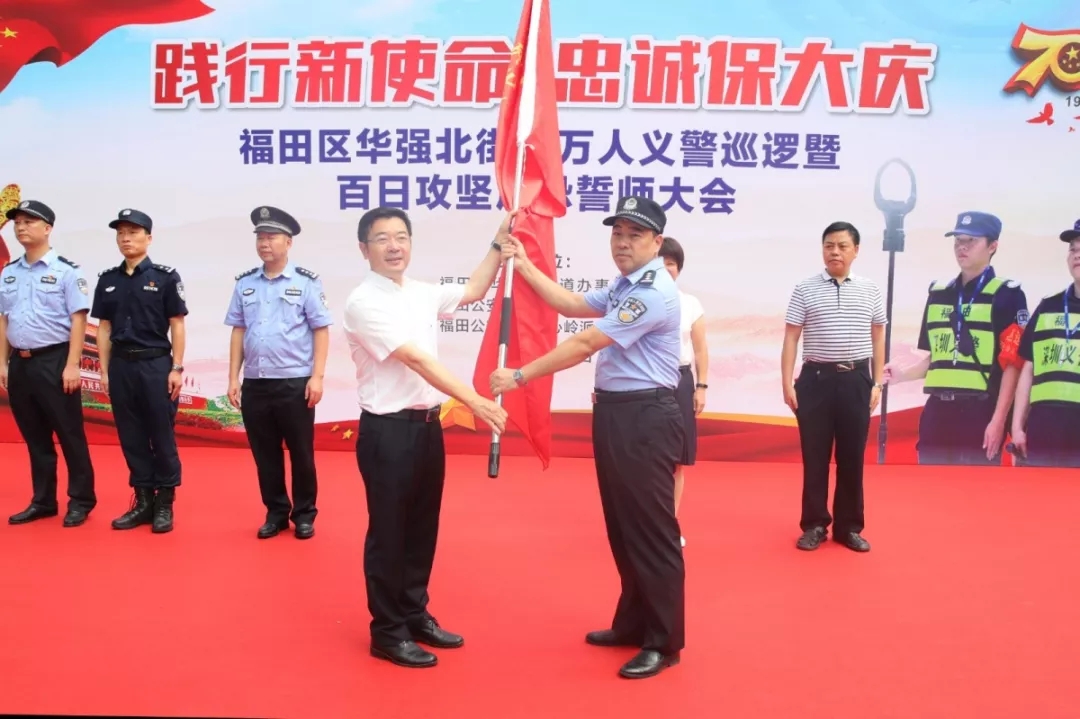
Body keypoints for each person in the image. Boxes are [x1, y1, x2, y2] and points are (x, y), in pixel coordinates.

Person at [490, 195, 685, 680]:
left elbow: (584, 343)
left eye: (635, 235)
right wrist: (523, 264)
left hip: (645, 418)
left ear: (657, 242)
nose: (623, 243)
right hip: (619, 414)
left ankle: (664, 641)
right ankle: (634, 623)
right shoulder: (624, 284)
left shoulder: (652, 292)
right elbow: (572, 304)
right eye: (617, 233)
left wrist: (519, 375)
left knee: (651, 531)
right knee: (623, 526)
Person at [342, 206, 510, 669]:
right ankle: (387, 631)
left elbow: (474, 290)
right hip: (387, 432)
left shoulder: (420, 292)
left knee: (421, 528)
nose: (394, 246)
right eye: (382, 239)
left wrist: (498, 243)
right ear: (364, 249)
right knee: (389, 533)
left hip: (427, 428)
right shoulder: (363, 302)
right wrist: (474, 400)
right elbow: (416, 359)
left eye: (401, 237)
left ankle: (414, 614)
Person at [884, 212, 1028, 465]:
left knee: (974, 488)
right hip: (937, 413)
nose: (962, 246)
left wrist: (998, 421)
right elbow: (936, 360)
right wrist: (902, 375)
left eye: (971, 241)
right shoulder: (939, 293)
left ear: (992, 246)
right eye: (958, 240)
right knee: (928, 486)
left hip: (979, 412)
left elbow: (1012, 366)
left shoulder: (1007, 295)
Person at [225, 206, 333, 540]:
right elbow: (238, 330)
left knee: (301, 453)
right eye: (260, 237)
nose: (264, 243)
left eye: (271, 237)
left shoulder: (306, 282)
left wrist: (317, 376)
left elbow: (321, 330)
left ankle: (304, 514)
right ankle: (275, 513)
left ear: (288, 242)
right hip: (256, 383)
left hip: (294, 382)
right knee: (265, 454)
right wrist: (233, 378)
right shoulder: (245, 283)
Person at [781, 221, 886, 553]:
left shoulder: (870, 289)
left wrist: (877, 382)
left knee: (852, 457)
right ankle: (814, 524)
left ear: (856, 251)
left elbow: (878, 336)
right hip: (815, 380)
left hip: (857, 379)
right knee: (815, 457)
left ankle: (849, 527)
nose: (835, 252)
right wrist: (787, 383)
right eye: (829, 246)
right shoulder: (805, 288)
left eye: (842, 246)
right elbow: (791, 336)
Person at [91, 209, 188, 534]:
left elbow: (177, 324)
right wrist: (105, 371)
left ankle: (165, 503)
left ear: (149, 237)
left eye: (133, 232)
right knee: (130, 435)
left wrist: (176, 367)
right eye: (121, 233)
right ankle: (143, 500)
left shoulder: (165, 277)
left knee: (161, 434)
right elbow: (104, 328)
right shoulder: (108, 280)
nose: (126, 238)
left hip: (155, 365)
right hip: (121, 366)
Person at [0, 200, 96, 527]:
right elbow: (4, 319)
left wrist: (73, 365)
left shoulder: (66, 271)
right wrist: (3, 363)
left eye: (29, 222)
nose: (21, 227)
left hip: (55, 360)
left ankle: (81, 500)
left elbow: (78, 319)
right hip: (21, 363)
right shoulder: (9, 273)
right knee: (35, 437)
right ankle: (43, 501)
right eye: (17, 223)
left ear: (47, 228)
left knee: (70, 434)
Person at [1010, 220, 1080, 467]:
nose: (1077, 255)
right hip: (1044, 427)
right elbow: (1028, 369)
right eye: (1073, 249)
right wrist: (1017, 427)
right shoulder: (1048, 306)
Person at [658, 236, 708, 548]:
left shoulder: (690, 304)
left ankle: (670, 526)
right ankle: (645, 525)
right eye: (659, 264)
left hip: (681, 382)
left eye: (671, 264)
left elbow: (700, 350)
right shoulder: (635, 302)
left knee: (676, 460)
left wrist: (701, 387)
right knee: (647, 458)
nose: (666, 269)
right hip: (647, 384)